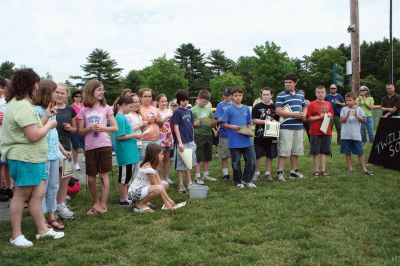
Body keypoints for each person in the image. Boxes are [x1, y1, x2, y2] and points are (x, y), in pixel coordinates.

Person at [2, 69, 64, 247]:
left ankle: (42, 230)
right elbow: (33, 136)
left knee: (38, 193)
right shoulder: (21, 106)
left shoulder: (22, 104)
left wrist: (45, 118)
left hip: (32, 158)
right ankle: (16, 235)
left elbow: (32, 128)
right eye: (36, 83)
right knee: (21, 196)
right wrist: (51, 124)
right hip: (24, 158)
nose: (38, 87)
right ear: (29, 85)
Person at [34, 79, 71, 230]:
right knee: (42, 189)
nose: (57, 95)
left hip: (54, 154)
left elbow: (53, 133)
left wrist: (62, 150)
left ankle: (51, 215)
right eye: (55, 91)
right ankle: (41, 218)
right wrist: (47, 118)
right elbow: (36, 130)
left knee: (53, 186)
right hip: (42, 155)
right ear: (47, 92)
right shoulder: (37, 110)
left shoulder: (51, 108)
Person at [77, 80, 118, 215]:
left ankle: (103, 204)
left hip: (104, 145)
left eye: (103, 89)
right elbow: (80, 132)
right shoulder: (83, 110)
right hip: (89, 147)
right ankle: (96, 202)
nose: (102, 92)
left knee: (104, 175)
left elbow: (115, 128)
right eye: (99, 90)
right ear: (90, 91)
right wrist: (89, 128)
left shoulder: (106, 108)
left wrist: (102, 128)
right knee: (91, 178)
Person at [221, 87, 256, 188]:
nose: (238, 97)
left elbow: (249, 122)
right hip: (234, 141)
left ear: (242, 96)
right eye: (235, 96)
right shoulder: (228, 109)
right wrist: (233, 127)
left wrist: (249, 130)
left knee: (251, 161)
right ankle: (238, 181)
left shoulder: (246, 108)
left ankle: (247, 180)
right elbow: (223, 123)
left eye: (240, 95)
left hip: (246, 140)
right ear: (232, 97)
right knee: (236, 163)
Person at [275, 73, 307, 181]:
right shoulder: (281, 95)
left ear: (295, 83)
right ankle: (280, 172)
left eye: (290, 82)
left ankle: (294, 172)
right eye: (286, 82)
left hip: (298, 127)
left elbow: (305, 106)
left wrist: (304, 114)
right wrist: (294, 115)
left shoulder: (300, 95)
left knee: (295, 151)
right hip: (286, 127)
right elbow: (278, 111)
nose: (287, 84)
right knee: (284, 151)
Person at [128, 143, 175, 212]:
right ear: (155, 155)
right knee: (159, 188)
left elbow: (159, 183)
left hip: (141, 190)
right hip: (134, 193)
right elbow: (158, 187)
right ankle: (141, 204)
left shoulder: (153, 167)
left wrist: (168, 199)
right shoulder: (148, 169)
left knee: (165, 184)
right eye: (161, 154)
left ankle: (143, 201)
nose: (163, 156)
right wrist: (166, 202)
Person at [54, 83, 77, 220]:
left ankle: (61, 205)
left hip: (66, 147)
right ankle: (52, 207)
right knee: (54, 180)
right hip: (52, 149)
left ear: (67, 94)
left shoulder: (70, 110)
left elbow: (76, 129)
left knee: (66, 177)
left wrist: (70, 128)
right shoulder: (49, 108)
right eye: (57, 92)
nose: (59, 95)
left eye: (62, 93)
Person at [114, 96, 141, 206]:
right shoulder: (120, 118)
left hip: (129, 152)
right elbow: (120, 136)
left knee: (127, 177)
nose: (131, 109)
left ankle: (126, 197)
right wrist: (134, 135)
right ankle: (123, 199)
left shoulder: (123, 117)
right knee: (124, 177)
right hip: (125, 153)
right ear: (123, 105)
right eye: (130, 106)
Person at [340, 92, 373, 176]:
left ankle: (364, 169)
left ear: (355, 100)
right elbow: (341, 121)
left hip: (356, 135)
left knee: (360, 152)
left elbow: (364, 120)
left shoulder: (359, 109)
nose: (348, 102)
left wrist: (358, 116)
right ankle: (350, 168)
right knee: (347, 152)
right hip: (345, 135)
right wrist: (346, 115)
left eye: (350, 100)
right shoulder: (344, 109)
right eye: (346, 100)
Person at [171, 89, 197, 193]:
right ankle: (181, 184)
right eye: (183, 100)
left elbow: (191, 126)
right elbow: (176, 127)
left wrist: (193, 140)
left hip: (190, 141)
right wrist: (180, 142)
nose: (185, 102)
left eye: (186, 100)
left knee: (188, 162)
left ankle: (189, 181)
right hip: (181, 143)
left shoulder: (189, 112)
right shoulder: (177, 112)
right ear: (178, 101)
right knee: (181, 164)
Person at [305, 85, 334, 176]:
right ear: (315, 93)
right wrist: (319, 117)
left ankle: (323, 170)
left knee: (324, 151)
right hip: (315, 131)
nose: (320, 94)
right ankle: (316, 171)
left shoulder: (328, 104)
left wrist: (329, 115)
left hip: (326, 131)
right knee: (315, 151)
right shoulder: (311, 104)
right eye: (318, 92)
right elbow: (307, 118)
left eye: (322, 92)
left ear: (325, 93)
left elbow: (332, 115)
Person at [252, 87, 279, 181]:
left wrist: (275, 121)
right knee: (257, 155)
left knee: (270, 154)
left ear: (271, 95)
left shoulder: (275, 107)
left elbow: (278, 120)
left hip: (272, 135)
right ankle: (257, 172)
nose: (265, 96)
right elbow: (253, 120)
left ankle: (268, 173)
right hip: (259, 135)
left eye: (267, 94)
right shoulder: (257, 106)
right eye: (263, 94)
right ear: (261, 95)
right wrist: (266, 122)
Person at [192, 90, 217, 184]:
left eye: (206, 102)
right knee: (198, 155)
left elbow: (212, 121)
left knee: (207, 155)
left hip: (208, 134)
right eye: (203, 101)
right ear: (198, 99)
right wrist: (195, 123)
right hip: (198, 135)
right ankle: (197, 176)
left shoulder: (208, 110)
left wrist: (213, 123)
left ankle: (206, 174)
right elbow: (188, 123)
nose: (204, 103)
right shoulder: (193, 110)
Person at [214, 87, 232, 181]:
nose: (226, 96)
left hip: (234, 134)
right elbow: (218, 118)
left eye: (228, 95)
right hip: (224, 133)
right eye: (224, 95)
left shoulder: (235, 104)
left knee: (235, 155)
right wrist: (229, 120)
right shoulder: (220, 105)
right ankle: (225, 174)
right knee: (224, 155)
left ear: (231, 96)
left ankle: (236, 172)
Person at [157, 94, 174, 184]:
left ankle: (167, 177)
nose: (164, 103)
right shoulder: (156, 111)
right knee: (160, 159)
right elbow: (159, 124)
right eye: (162, 101)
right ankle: (160, 178)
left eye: (166, 101)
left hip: (168, 136)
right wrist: (167, 116)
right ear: (158, 102)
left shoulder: (169, 111)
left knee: (167, 158)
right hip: (159, 137)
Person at [0, 77, 12, 202]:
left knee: (7, 163)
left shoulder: (7, 102)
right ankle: (2, 187)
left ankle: (9, 187)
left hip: (6, 137)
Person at [126, 94, 144, 161]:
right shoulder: (127, 115)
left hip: (140, 143)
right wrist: (141, 124)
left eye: (138, 102)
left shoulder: (138, 114)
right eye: (135, 102)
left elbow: (140, 129)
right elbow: (128, 129)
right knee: (131, 167)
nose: (137, 104)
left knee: (139, 167)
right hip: (131, 144)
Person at [70, 90, 85, 170]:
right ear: (73, 98)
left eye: (80, 96)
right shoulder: (71, 107)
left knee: (85, 145)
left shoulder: (84, 105)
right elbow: (70, 117)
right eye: (76, 96)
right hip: (75, 128)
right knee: (75, 146)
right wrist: (77, 117)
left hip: (83, 128)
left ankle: (86, 158)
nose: (78, 97)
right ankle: (75, 163)